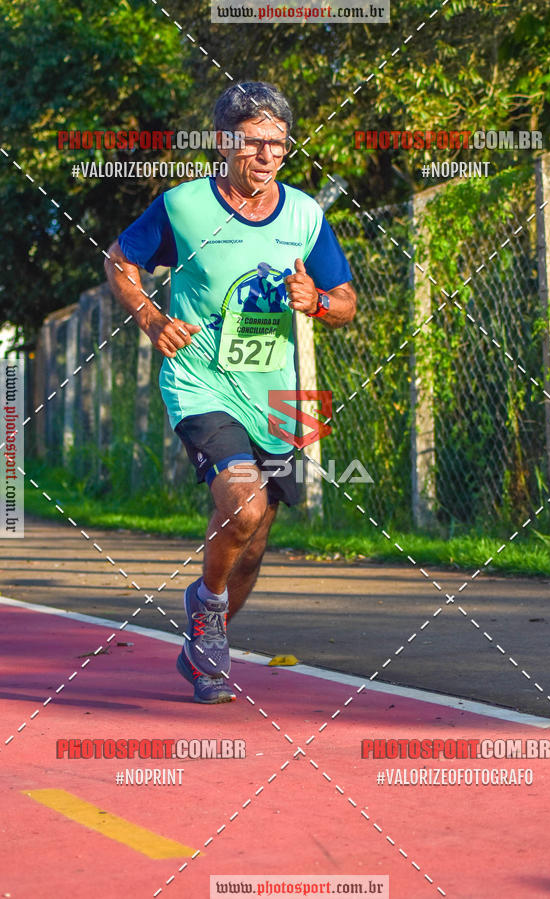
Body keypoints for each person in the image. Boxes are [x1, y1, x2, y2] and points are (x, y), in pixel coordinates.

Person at [104, 82, 356, 704]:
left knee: (256, 538)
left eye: (279, 143)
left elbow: (346, 300)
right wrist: (152, 317)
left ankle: (205, 629)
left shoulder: (304, 215)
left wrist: (318, 302)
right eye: (255, 142)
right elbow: (119, 259)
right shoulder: (184, 207)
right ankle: (209, 617)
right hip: (200, 382)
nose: (269, 155)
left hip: (276, 398)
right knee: (242, 505)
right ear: (224, 142)